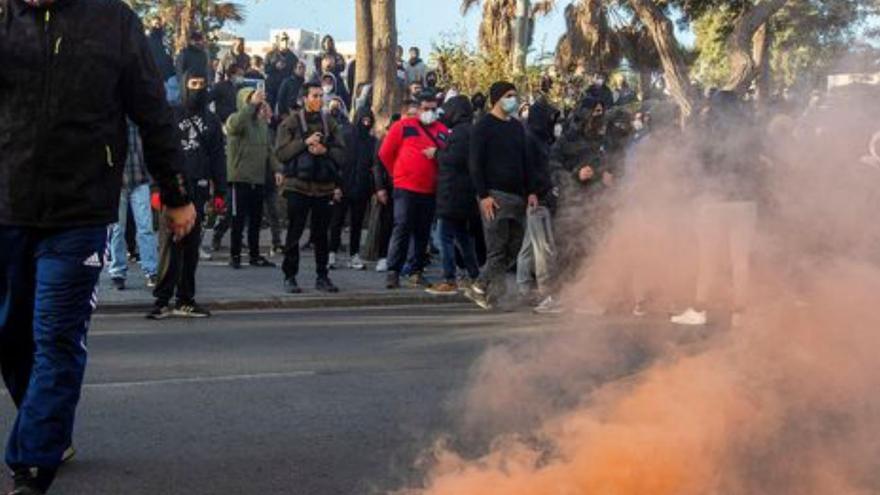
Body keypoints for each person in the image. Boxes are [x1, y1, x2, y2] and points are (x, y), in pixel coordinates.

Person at [0, 1, 196, 493]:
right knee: (10, 335)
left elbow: (154, 111)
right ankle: (47, 424)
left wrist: (174, 194)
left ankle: (33, 464)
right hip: (7, 207)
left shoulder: (114, 20)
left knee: (57, 339)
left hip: (80, 211)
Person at [150, 70, 227, 320]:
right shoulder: (171, 115)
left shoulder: (212, 121)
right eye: (193, 84)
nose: (198, 89)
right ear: (184, 86)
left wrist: (221, 191)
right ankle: (162, 300)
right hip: (173, 187)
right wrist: (155, 188)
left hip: (200, 189)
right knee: (168, 245)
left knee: (191, 248)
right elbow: (157, 152)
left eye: (202, 85)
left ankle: (185, 299)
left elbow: (218, 157)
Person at [465, 81, 537, 310]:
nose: (513, 100)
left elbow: (526, 162)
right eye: (508, 95)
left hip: (517, 196)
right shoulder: (483, 126)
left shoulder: (517, 127)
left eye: (514, 95)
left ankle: (489, 292)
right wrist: (483, 195)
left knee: (514, 247)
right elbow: (474, 163)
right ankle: (480, 285)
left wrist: (531, 191)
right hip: (494, 195)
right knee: (497, 248)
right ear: (496, 98)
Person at [275, 82, 346, 294]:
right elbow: (281, 153)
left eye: (321, 95)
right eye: (315, 95)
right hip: (298, 186)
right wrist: (305, 143)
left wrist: (324, 149)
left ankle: (322, 276)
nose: (319, 99)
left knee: (321, 235)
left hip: (323, 188)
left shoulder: (330, 123)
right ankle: (290, 276)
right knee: (294, 233)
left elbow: (343, 155)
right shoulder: (291, 122)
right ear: (304, 98)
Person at [378, 91, 449, 289]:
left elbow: (449, 154)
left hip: (430, 189)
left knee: (422, 232)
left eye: (433, 109)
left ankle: (416, 270)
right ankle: (393, 271)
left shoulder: (442, 130)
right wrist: (397, 174)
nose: (430, 113)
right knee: (402, 227)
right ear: (417, 109)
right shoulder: (402, 126)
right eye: (426, 109)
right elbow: (385, 153)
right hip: (405, 187)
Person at [426, 96, 481, 295]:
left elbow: (455, 159)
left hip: (452, 193)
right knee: (462, 237)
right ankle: (475, 275)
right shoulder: (471, 131)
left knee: (444, 237)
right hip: (463, 194)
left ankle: (449, 279)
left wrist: (436, 154)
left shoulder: (459, 133)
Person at [225, 87, 279, 269]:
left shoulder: (261, 124)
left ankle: (254, 255)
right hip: (239, 178)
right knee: (237, 220)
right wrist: (251, 105)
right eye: (250, 99)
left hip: (257, 179)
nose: (255, 102)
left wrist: (277, 169)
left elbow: (268, 150)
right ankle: (235, 255)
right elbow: (234, 126)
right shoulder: (235, 119)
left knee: (256, 220)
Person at [518, 100, 562, 313]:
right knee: (542, 247)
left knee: (529, 246)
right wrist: (531, 192)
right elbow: (527, 169)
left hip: (541, 196)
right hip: (537, 198)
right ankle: (545, 294)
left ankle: (523, 288)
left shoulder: (541, 139)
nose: (552, 122)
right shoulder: (530, 139)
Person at [108, 122, 161, 291]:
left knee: (142, 227)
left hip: (137, 180)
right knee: (119, 229)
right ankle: (120, 271)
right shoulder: (121, 120)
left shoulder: (134, 120)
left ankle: (148, 270)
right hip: (123, 181)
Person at [330, 109, 377, 271]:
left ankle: (354, 254)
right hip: (343, 186)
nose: (366, 123)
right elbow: (336, 163)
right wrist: (336, 186)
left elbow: (373, 165)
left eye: (369, 120)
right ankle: (331, 253)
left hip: (361, 188)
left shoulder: (372, 141)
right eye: (363, 120)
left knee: (357, 223)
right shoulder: (346, 137)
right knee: (337, 221)